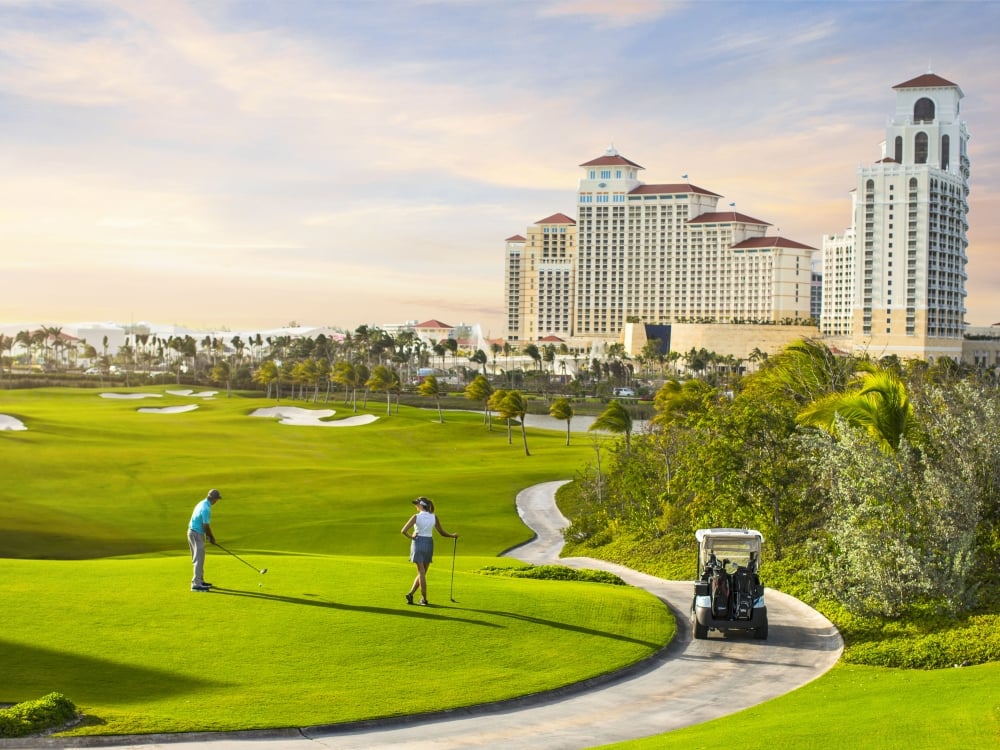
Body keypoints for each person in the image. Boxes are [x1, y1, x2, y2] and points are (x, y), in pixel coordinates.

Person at [401, 496, 457, 606]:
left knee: (421, 573)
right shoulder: (434, 517)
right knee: (423, 573)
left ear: (422, 505)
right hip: (429, 544)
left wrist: (411, 536)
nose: (416, 506)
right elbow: (442, 532)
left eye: (417, 504)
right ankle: (415, 595)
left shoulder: (416, 517)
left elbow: (403, 531)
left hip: (418, 543)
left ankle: (421, 598)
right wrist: (452, 536)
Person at [188, 488, 221, 592]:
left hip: (192, 532)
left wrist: (207, 536)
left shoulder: (202, 503)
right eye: (217, 499)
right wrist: (211, 537)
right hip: (197, 534)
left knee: (198, 558)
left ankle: (200, 581)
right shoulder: (206, 508)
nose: (217, 501)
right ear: (214, 499)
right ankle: (196, 584)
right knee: (199, 559)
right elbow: (205, 525)